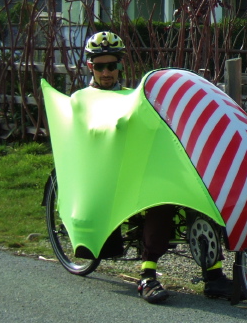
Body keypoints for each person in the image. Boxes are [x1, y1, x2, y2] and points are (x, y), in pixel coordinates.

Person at [80, 31, 233, 304]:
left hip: (142, 166)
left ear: (120, 66)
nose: (106, 72)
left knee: (197, 198)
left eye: (112, 66)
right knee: (160, 200)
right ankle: (147, 277)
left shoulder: (132, 95)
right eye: (100, 66)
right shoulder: (82, 99)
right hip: (111, 177)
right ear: (90, 67)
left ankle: (214, 275)